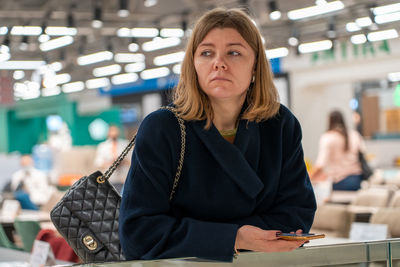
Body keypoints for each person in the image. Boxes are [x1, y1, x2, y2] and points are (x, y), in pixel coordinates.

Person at [120, 8, 316, 262]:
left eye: (234, 52)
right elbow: (138, 234)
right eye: (206, 53)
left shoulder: (279, 124)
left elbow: (297, 217)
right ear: (194, 65)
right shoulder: (162, 128)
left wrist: (200, 234)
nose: (219, 63)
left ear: (255, 65)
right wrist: (235, 237)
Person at [310, 110, 365, 191]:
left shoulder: (328, 137)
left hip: (339, 183)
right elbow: (363, 153)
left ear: (329, 121)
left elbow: (320, 164)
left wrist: (307, 178)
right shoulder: (354, 134)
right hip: (357, 181)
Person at [94, 125, 130, 192]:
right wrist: (111, 163)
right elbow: (98, 163)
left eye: (115, 130)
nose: (114, 133)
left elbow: (131, 161)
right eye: (112, 131)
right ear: (108, 132)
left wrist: (122, 161)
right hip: (109, 179)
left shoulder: (125, 144)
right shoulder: (102, 146)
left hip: (123, 179)